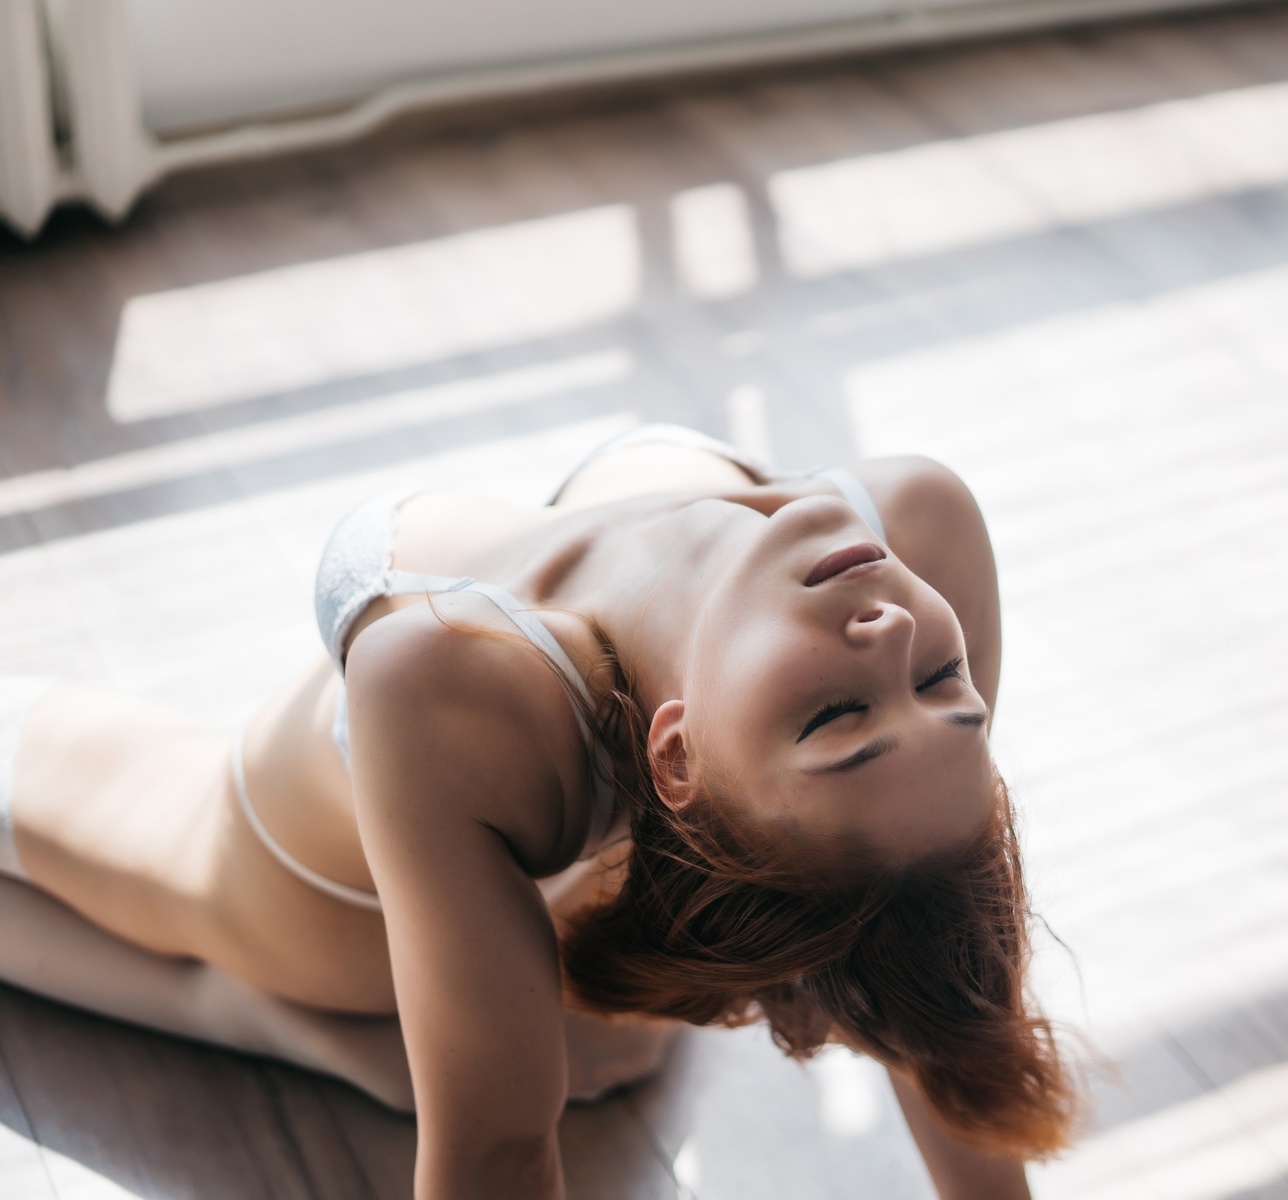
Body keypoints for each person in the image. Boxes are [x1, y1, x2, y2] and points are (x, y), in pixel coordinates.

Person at [0, 425, 1078, 1199]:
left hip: (310, 896)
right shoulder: (917, 527)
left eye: (838, 716)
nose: (891, 634)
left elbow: (499, 1162)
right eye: (945, 685)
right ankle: (501, 1034)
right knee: (618, 1051)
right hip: (558, 894)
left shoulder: (447, 678)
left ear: (679, 752)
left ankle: (263, 1019)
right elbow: (930, 958)